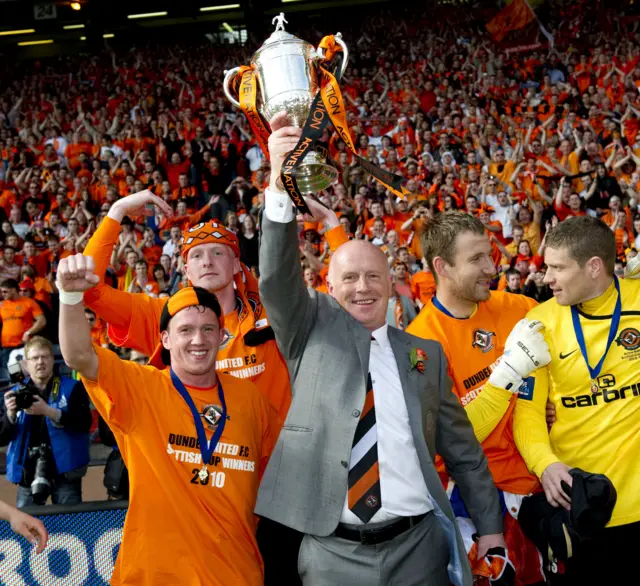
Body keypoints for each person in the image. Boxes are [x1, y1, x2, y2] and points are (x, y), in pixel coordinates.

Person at [255, 112, 505, 586]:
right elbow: (274, 277)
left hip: (418, 551)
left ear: (393, 285)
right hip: (332, 556)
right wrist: (278, 183)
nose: (363, 288)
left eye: (374, 277)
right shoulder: (307, 333)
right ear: (327, 286)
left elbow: (465, 454)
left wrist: (490, 528)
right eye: (349, 278)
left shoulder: (425, 357)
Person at [56, 261, 281, 586]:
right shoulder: (140, 388)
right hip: (153, 575)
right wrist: (70, 295)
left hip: (236, 573)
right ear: (165, 339)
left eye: (208, 329)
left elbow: (274, 479)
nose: (198, 340)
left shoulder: (251, 400)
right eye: (185, 330)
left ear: (222, 335)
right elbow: (78, 355)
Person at [405, 211, 549, 584]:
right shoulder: (420, 344)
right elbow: (451, 441)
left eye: (489, 254)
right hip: (483, 505)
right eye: (476, 259)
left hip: (543, 482)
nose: (491, 267)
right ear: (443, 267)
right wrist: (507, 378)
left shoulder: (518, 307)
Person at [80, 190, 291, 421]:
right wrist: (117, 211)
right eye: (197, 256)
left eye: (218, 252)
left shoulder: (273, 313)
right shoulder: (165, 316)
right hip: (198, 452)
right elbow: (90, 289)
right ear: (186, 269)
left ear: (236, 266)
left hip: (278, 453)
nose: (207, 262)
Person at [513, 216, 640, 584]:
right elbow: (528, 414)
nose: (546, 277)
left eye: (557, 267)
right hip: (582, 508)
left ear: (594, 267)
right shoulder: (537, 323)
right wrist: (545, 465)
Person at [0, 336, 92, 507]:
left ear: (53, 360)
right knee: (28, 526)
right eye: (34, 358)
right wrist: (11, 415)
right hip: (28, 470)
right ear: (26, 364)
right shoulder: (15, 393)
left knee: (70, 524)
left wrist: (50, 412)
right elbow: (2, 437)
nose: (40, 362)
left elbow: (84, 423)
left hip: (64, 468)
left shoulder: (72, 387)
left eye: (45, 357)